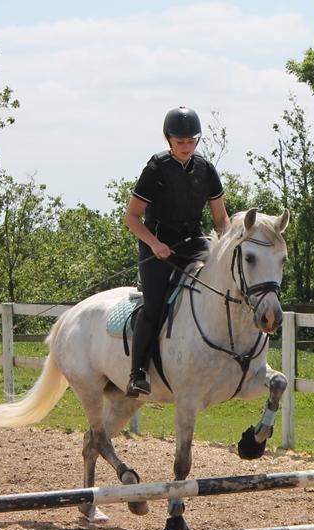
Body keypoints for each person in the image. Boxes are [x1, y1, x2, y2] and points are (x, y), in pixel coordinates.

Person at [123, 106, 231, 396]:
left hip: (195, 244)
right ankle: (138, 373)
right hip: (158, 247)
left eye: (191, 141)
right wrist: (154, 244)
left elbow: (221, 220)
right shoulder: (156, 168)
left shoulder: (206, 169)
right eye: (180, 142)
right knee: (154, 306)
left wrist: (229, 246)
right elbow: (131, 218)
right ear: (168, 139)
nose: (186, 147)